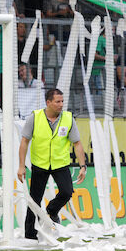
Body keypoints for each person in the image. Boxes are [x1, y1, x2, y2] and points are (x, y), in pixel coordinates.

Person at [17, 89, 87, 240]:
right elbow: (24, 142)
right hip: (39, 164)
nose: (61, 104)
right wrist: (21, 166)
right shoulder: (34, 118)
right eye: (58, 101)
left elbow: (77, 143)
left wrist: (83, 166)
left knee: (67, 192)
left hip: (60, 164)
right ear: (48, 102)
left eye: (62, 101)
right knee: (34, 200)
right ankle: (30, 235)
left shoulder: (68, 118)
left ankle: (52, 209)